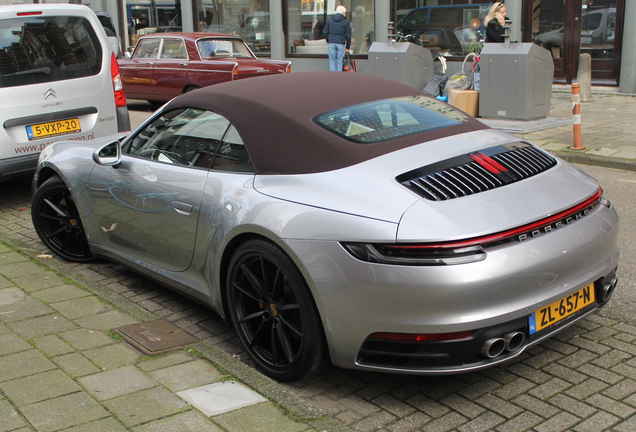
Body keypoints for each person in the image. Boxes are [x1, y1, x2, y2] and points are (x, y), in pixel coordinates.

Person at [323, 5, 351, 71]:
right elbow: (348, 35)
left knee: (332, 61)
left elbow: (325, 32)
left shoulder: (330, 20)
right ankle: (339, 77)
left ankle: (332, 77)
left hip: (332, 42)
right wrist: (348, 46)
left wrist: (328, 40)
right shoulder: (346, 22)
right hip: (341, 43)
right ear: (343, 13)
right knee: (339, 61)